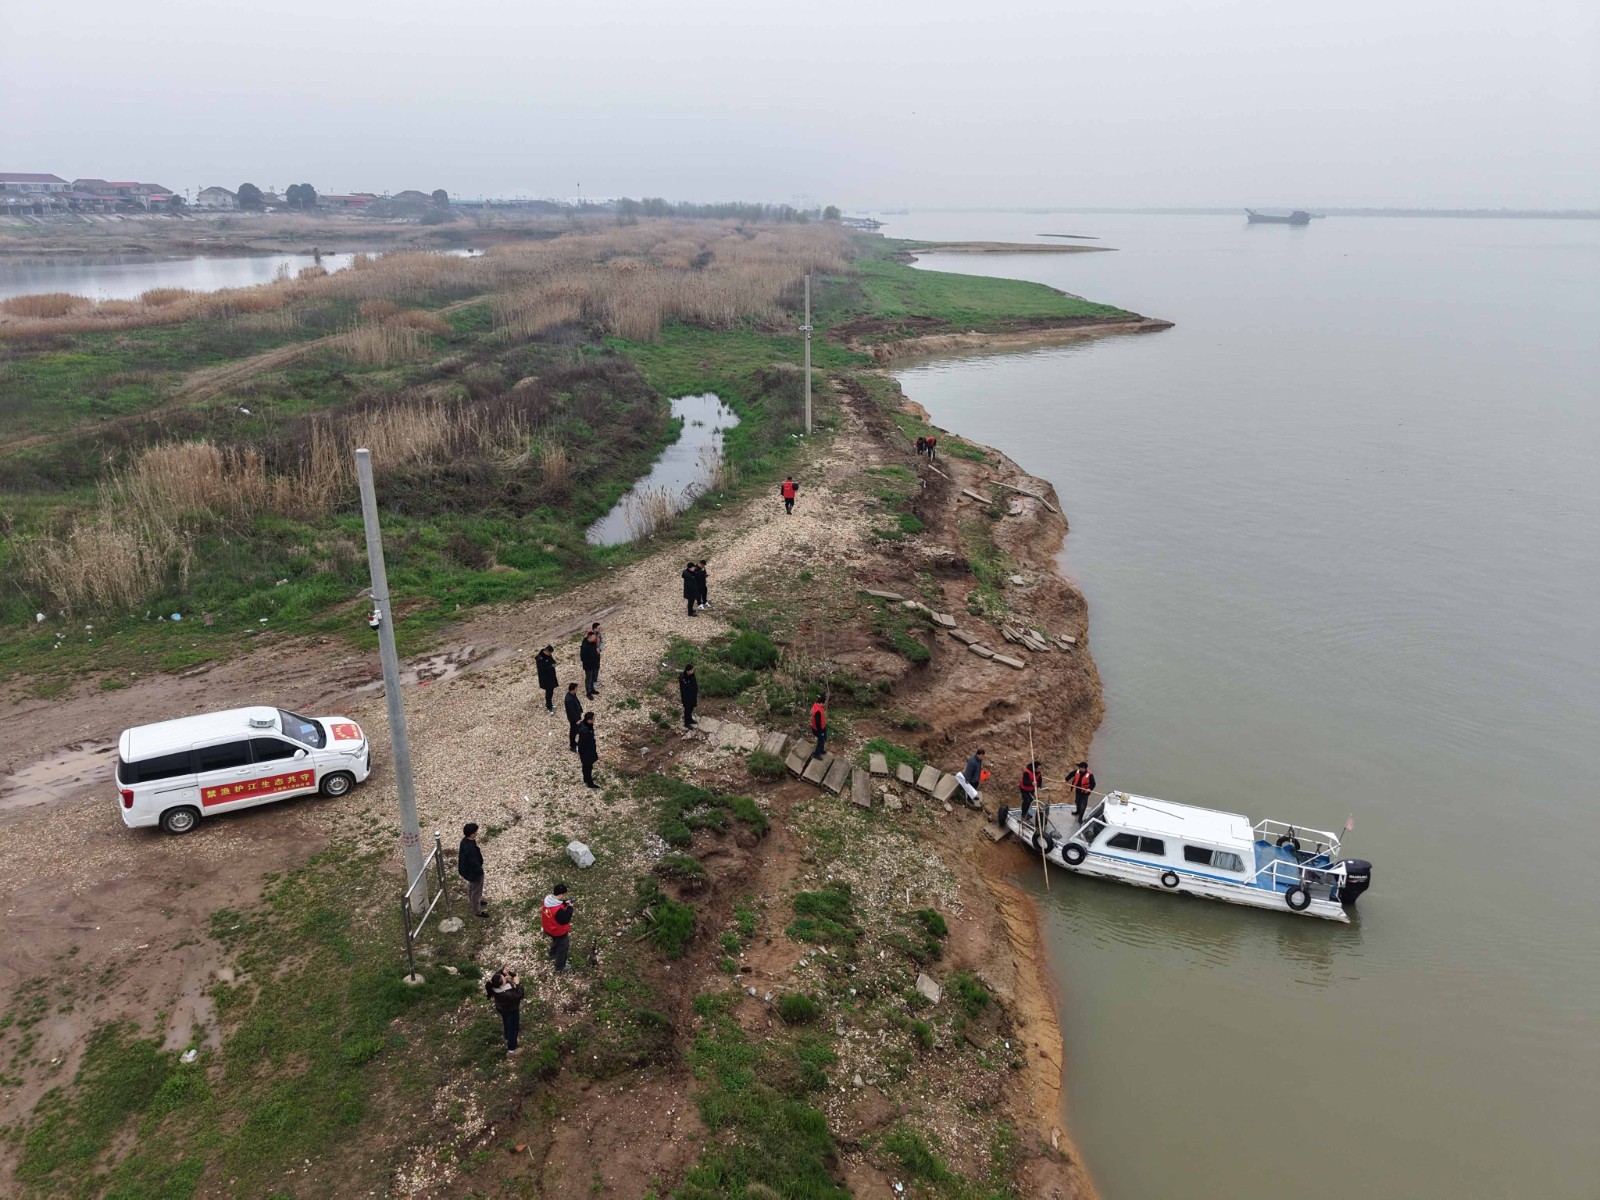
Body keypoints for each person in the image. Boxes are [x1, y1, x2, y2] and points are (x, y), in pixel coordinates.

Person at [486, 966, 524, 1052]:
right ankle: (512, 1049)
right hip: (511, 1010)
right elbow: (519, 995)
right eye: (504, 978)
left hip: (502, 1008)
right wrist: (518, 984)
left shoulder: (495, 986)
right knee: (513, 1029)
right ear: (502, 984)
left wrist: (503, 971)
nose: (504, 976)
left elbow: (497, 975)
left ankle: (507, 1037)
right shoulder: (506, 994)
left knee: (507, 1022)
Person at [542, 884, 574, 973]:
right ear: (560, 895)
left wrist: (564, 903)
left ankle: (551, 954)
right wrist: (570, 907)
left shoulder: (547, 899)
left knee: (556, 941)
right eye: (564, 894)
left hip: (548, 928)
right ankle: (560, 966)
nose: (564, 896)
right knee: (563, 947)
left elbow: (557, 903)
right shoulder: (558, 911)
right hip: (558, 932)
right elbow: (565, 920)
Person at [458, 822, 487, 918]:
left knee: (472, 887)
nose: (477, 833)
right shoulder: (471, 849)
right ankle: (477, 911)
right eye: (475, 832)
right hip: (474, 873)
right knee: (477, 891)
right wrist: (480, 871)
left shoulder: (464, 841)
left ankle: (473, 900)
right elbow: (474, 862)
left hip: (468, 872)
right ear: (472, 834)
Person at [1066, 760, 1096, 824]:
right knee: (1077, 801)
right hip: (1078, 791)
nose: (1078, 768)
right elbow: (1071, 774)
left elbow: (1093, 784)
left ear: (1084, 768)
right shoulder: (1077, 772)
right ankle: (1077, 811)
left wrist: (1090, 789)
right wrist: (1065, 780)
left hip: (1085, 793)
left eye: (1080, 767)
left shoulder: (1090, 775)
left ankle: (1080, 818)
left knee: (1083, 806)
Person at [577, 711, 599, 788]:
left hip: (587, 750)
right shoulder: (585, 731)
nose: (594, 720)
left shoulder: (585, 724)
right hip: (586, 751)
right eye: (593, 719)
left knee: (586, 766)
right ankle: (589, 783)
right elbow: (585, 743)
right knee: (587, 767)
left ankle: (586, 779)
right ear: (588, 720)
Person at [534, 645, 558, 713]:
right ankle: (549, 706)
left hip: (551, 676)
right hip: (545, 678)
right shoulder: (540, 658)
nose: (550, 654)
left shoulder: (548, 655)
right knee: (548, 692)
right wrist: (551, 667)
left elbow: (551, 660)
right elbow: (541, 669)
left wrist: (554, 663)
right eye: (550, 653)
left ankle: (550, 704)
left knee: (551, 690)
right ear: (546, 651)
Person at [579, 630, 601, 698]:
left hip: (594, 664)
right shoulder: (584, 646)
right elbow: (583, 658)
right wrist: (590, 660)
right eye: (593, 637)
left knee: (592, 678)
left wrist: (597, 653)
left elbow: (595, 651)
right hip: (588, 666)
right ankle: (588, 692)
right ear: (589, 637)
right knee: (588, 679)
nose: (595, 639)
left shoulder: (593, 643)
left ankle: (592, 689)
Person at [564, 682, 583, 751]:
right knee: (573, 732)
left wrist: (580, 709)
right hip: (573, 719)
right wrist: (577, 720)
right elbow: (572, 712)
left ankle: (574, 743)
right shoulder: (569, 699)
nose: (577, 689)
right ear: (573, 689)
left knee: (575, 730)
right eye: (576, 688)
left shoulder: (573, 694)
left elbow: (577, 702)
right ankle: (572, 746)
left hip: (577, 717)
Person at [679, 663, 699, 728]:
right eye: (691, 670)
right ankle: (686, 723)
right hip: (687, 697)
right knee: (687, 709)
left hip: (692, 696)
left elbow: (694, 684)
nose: (692, 671)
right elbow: (684, 689)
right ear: (688, 671)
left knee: (691, 708)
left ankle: (690, 719)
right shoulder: (683, 678)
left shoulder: (692, 675)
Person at [809, 693, 828, 760]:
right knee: (821, 741)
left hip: (822, 727)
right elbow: (817, 723)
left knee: (824, 737)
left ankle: (821, 749)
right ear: (821, 703)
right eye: (824, 703)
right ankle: (816, 754)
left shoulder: (816, 705)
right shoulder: (818, 711)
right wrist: (821, 732)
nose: (825, 704)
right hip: (818, 729)